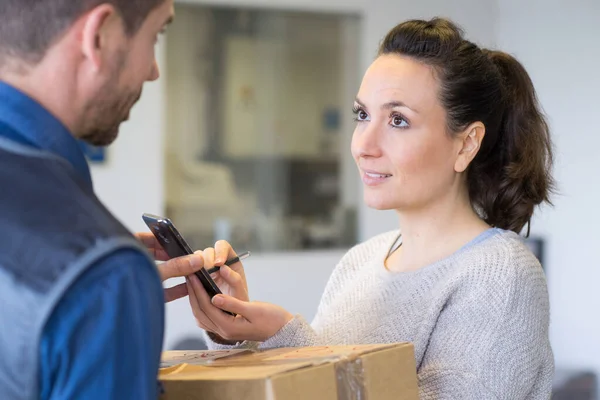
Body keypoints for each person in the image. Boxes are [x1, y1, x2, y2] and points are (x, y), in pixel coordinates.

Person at [181, 18, 556, 399]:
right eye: (362, 115)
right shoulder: (360, 263)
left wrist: (286, 335)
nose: (364, 145)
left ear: (466, 144)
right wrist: (235, 332)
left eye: (398, 120)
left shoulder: (502, 275)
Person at [0, 1, 208, 399]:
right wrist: (111, 289)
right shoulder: (102, 274)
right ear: (100, 36)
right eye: (156, 35)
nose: (153, 70)